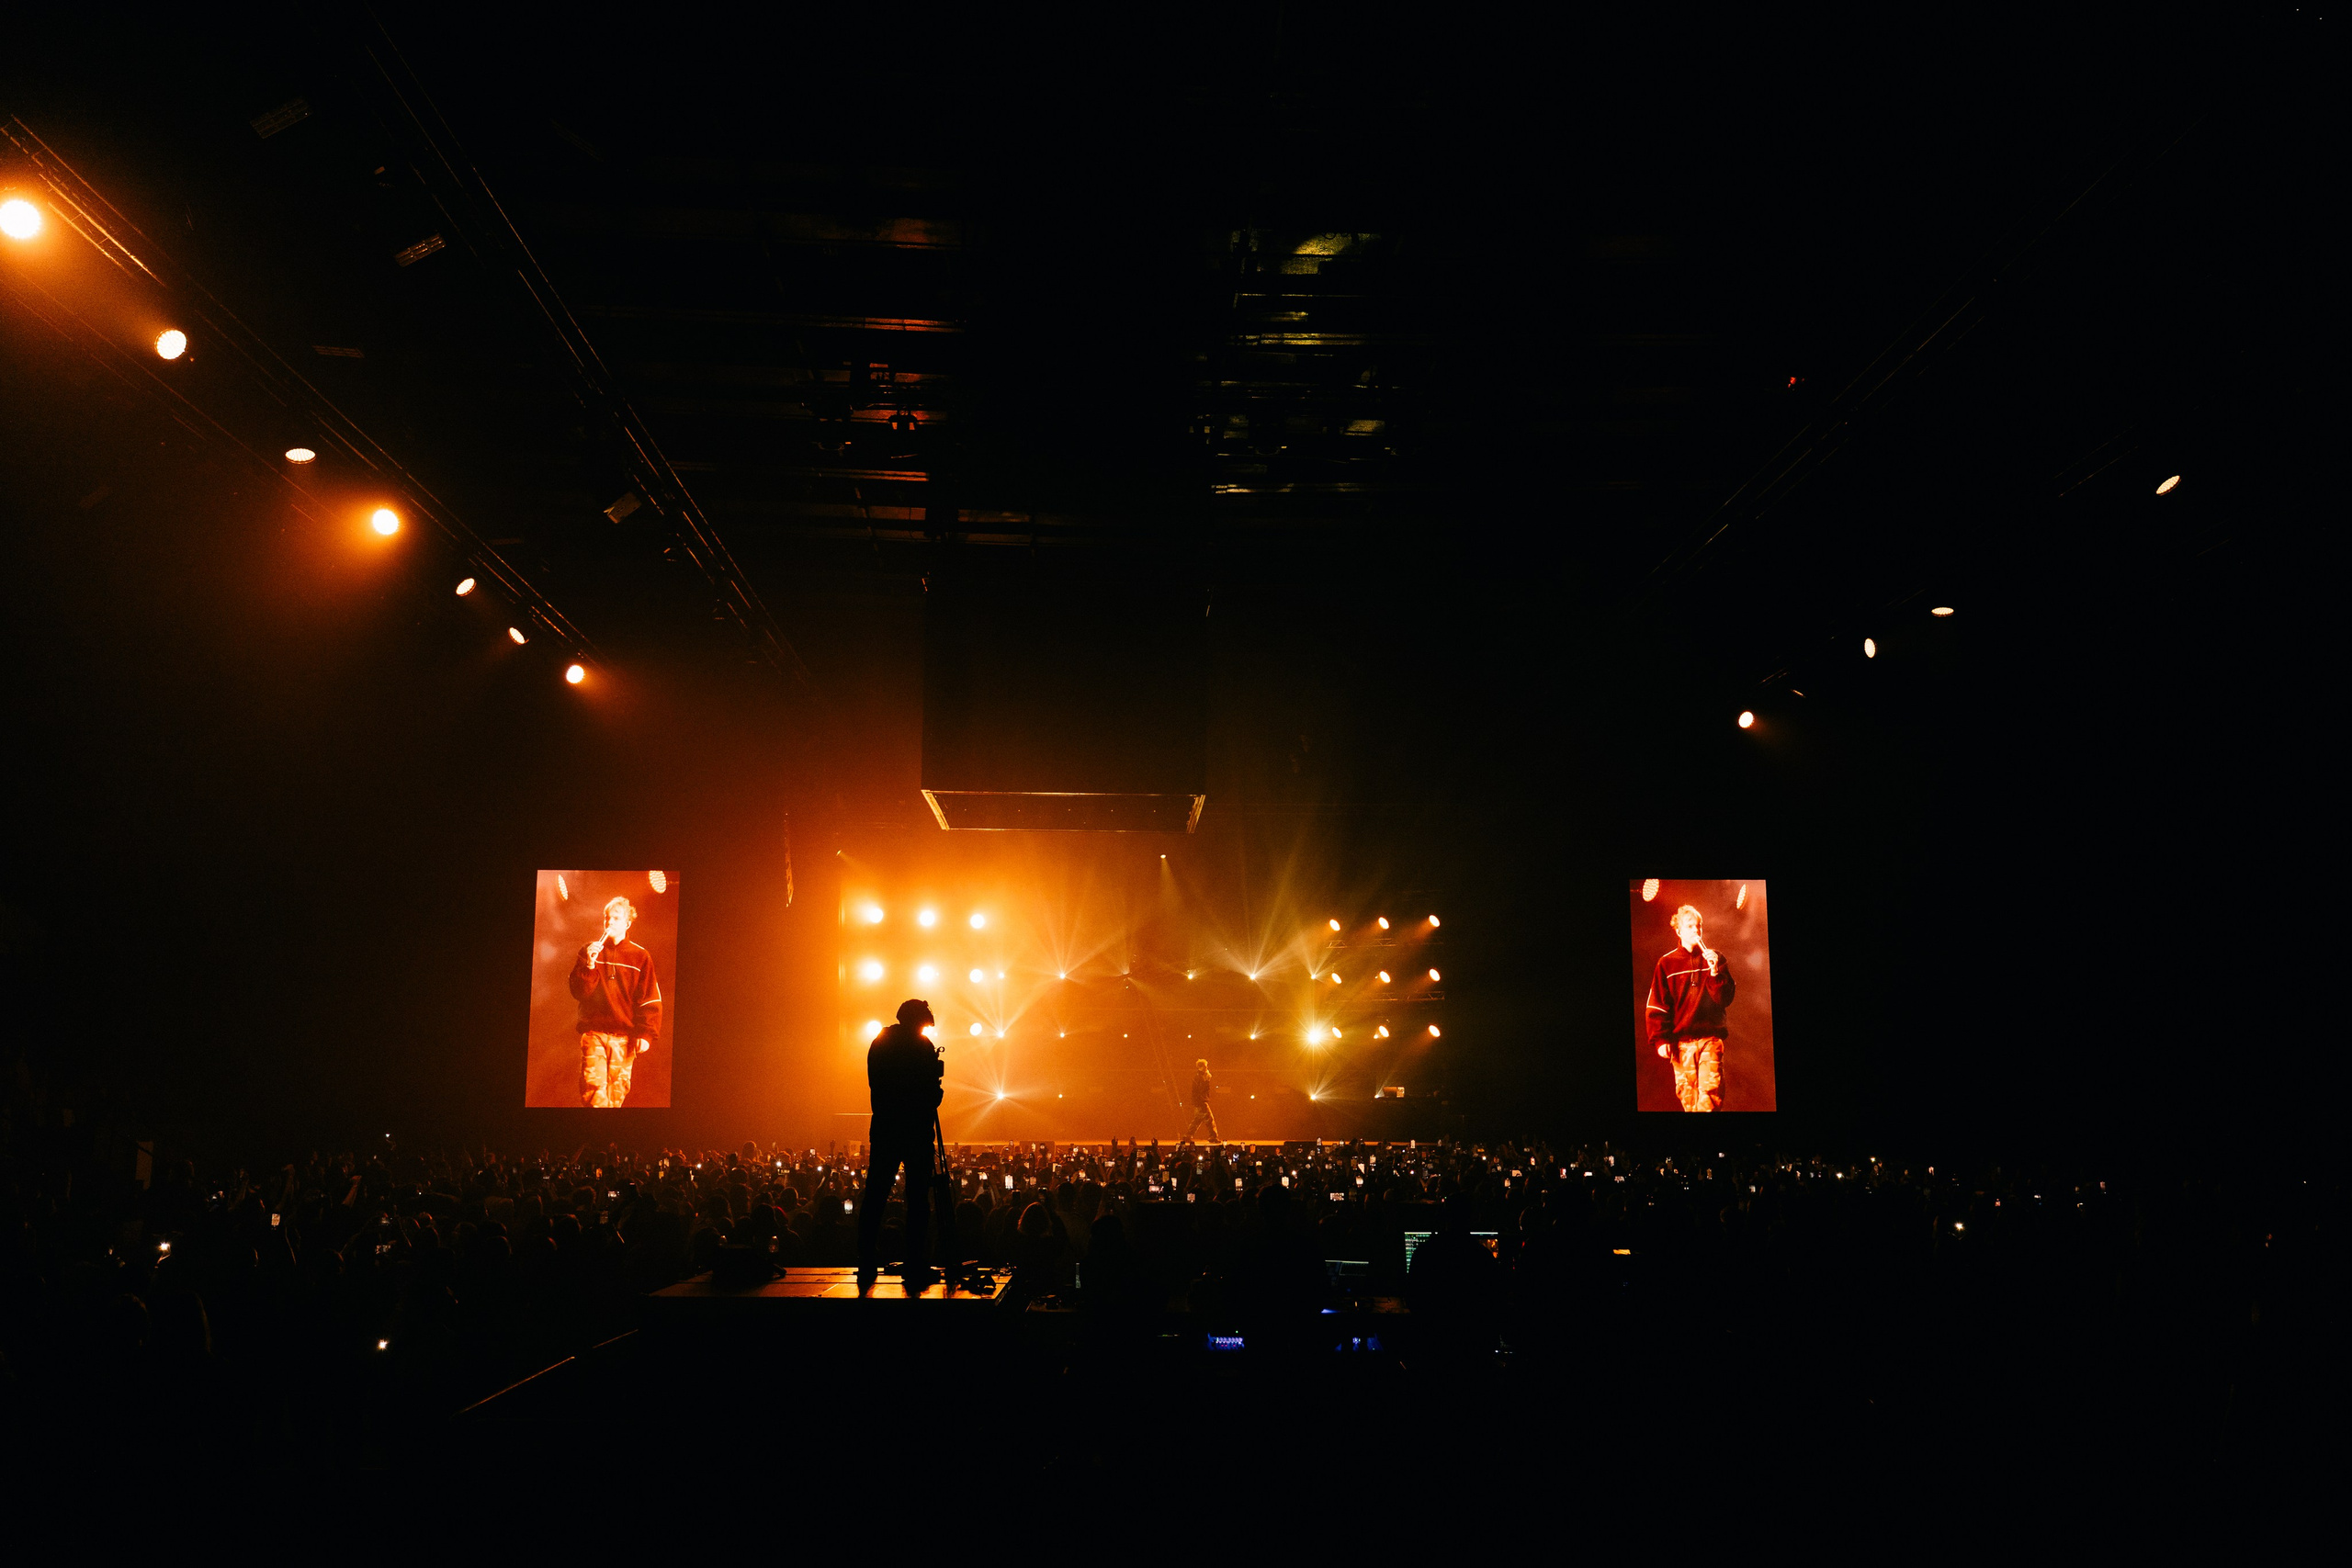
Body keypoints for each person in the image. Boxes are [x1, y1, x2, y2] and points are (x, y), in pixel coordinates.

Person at [858, 999, 944, 1291]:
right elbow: (931, 1096)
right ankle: (915, 1261)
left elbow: (876, 1084)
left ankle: (866, 1259)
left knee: (876, 1195)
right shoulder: (922, 1047)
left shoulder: (880, 1042)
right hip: (916, 1131)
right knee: (918, 1199)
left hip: (885, 1128)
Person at [569, 896, 662, 1108]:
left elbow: (649, 997)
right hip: (595, 1033)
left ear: (627, 923)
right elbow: (579, 992)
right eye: (607, 918)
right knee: (595, 1092)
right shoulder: (589, 951)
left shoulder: (641, 956)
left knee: (617, 1094)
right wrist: (590, 965)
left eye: (616, 918)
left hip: (624, 1037)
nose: (610, 922)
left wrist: (646, 1033)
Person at [1645, 902, 1737, 1111]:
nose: (1695, 930)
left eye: (1698, 926)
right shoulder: (1666, 963)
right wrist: (1660, 1039)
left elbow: (1725, 999)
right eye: (1689, 926)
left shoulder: (1715, 959)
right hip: (1682, 1043)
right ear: (1678, 931)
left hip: (1710, 1039)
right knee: (1689, 1101)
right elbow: (1658, 1003)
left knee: (1710, 1096)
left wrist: (1714, 972)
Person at [1180, 1058, 1220, 1144]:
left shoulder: (1199, 1076)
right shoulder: (1199, 1077)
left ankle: (1187, 1135)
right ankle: (1213, 1136)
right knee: (1209, 1119)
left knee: (1197, 1120)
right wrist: (1207, 1081)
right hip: (1201, 1101)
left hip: (1199, 1101)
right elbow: (1201, 1090)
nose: (1206, 1068)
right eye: (1205, 1066)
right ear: (1200, 1067)